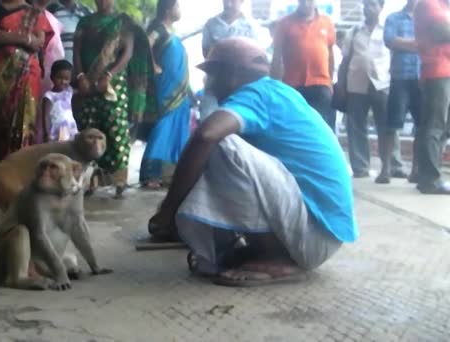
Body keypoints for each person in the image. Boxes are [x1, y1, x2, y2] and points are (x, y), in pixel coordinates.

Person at [147, 37, 357, 286]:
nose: (210, 82)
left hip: (313, 236)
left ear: (233, 74)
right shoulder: (276, 92)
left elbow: (206, 136)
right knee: (214, 149)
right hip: (320, 231)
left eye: (214, 73)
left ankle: (276, 258)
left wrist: (169, 211)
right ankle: (257, 247)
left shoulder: (255, 94)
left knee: (219, 145)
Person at [73, 0, 154, 197]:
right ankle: (90, 179)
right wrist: (80, 77)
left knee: (116, 129)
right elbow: (76, 51)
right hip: (87, 85)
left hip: (113, 85)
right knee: (89, 130)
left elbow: (127, 53)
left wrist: (109, 75)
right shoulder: (84, 22)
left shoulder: (123, 22)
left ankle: (118, 180)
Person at [0, 0, 51, 172]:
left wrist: (8, 36)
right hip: (1, 72)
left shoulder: (32, 11)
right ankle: (1, 173)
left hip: (29, 72)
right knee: (1, 120)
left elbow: (39, 41)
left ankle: (20, 170)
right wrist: (23, 38)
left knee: (25, 119)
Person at [338, 0, 405, 179]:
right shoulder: (353, 32)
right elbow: (345, 61)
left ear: (381, 8)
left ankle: (393, 165)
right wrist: (341, 86)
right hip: (356, 85)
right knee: (356, 127)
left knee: (388, 127)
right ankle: (360, 167)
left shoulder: (388, 30)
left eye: (373, 4)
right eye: (366, 5)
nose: (368, 8)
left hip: (382, 84)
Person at [139, 0, 191, 189]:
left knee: (177, 129)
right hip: (166, 89)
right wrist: (153, 65)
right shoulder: (159, 29)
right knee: (164, 127)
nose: (180, 10)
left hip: (181, 91)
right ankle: (151, 173)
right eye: (178, 6)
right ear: (169, 9)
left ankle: (170, 174)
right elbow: (145, 42)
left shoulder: (170, 32)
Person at [271, 0, 336, 129]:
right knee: (295, 127)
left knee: (320, 128)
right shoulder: (284, 23)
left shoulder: (327, 22)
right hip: (292, 86)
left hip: (321, 85)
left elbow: (330, 54)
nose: (306, 3)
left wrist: (330, 82)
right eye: (302, 1)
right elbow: (277, 56)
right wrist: (274, 85)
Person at [200, 0, 269, 118]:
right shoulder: (211, 24)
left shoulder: (251, 26)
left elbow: (258, 57)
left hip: (243, 86)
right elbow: (206, 53)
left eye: (232, 1)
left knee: (240, 120)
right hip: (215, 82)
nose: (228, 4)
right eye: (225, 1)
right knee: (208, 118)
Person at [378, 0, 420, 184]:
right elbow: (390, 40)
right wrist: (419, 44)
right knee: (392, 125)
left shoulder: (426, 18)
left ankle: (416, 170)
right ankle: (385, 169)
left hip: (422, 78)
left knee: (422, 126)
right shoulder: (393, 18)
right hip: (400, 77)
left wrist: (407, 44)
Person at [413, 0, 450, 194]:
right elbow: (441, 31)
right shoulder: (430, 4)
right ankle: (430, 179)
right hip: (437, 71)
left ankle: (428, 175)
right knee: (435, 126)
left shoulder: (443, 7)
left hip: (444, 72)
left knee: (442, 127)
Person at [32, 0, 65, 143]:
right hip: (32, 74)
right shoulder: (26, 14)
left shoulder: (52, 19)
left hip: (52, 77)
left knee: (47, 116)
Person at [42, 59, 78, 141]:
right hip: (57, 130)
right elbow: (45, 117)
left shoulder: (69, 91)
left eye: (66, 79)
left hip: (70, 128)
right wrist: (46, 134)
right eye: (59, 78)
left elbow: (82, 92)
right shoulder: (49, 96)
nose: (63, 81)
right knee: (58, 151)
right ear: (52, 77)